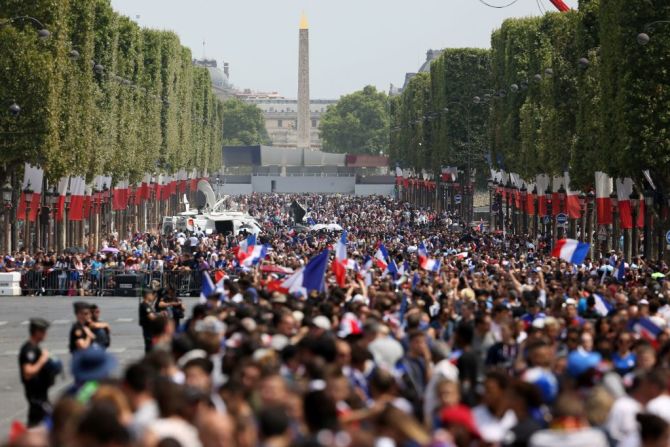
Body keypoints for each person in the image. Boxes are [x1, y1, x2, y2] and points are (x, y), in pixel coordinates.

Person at [19, 318, 59, 427]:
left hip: (40, 395)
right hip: (36, 397)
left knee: (36, 424)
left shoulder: (35, 348)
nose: (45, 334)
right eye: (43, 331)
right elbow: (27, 372)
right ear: (37, 332)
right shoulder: (29, 350)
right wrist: (43, 359)